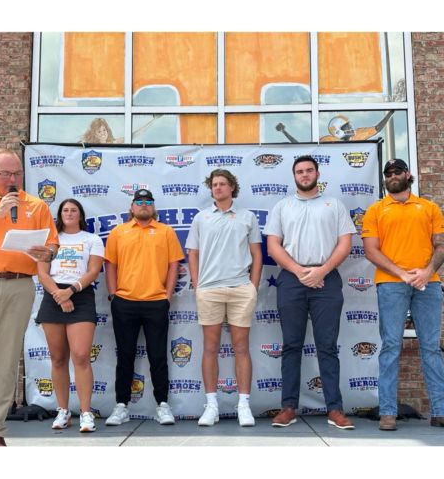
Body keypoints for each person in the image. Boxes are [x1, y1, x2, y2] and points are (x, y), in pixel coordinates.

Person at [0, 148, 59, 447]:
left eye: (16, 173)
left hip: (19, 285)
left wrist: (50, 253)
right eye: (5, 173)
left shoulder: (37, 205)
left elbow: (52, 243)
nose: (12, 179)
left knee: (6, 362)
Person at [264, 155, 356, 430]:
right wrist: (302, 272)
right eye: (299, 172)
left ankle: (335, 410)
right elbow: (273, 246)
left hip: (326, 279)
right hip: (292, 280)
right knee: (291, 345)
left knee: (327, 346)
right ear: (294, 176)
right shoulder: (282, 207)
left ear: (317, 173)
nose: (304, 175)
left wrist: (321, 271)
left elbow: (344, 244)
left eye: (308, 170)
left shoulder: (334, 205)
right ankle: (288, 407)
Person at [362, 158, 444, 431]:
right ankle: (388, 413)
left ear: (408, 174)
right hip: (391, 284)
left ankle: (440, 410)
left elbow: (440, 246)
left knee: (431, 347)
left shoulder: (429, 207)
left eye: (398, 171)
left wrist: (426, 270)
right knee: (390, 346)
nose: (393, 176)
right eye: (388, 173)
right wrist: (402, 273)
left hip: (428, 283)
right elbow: (371, 250)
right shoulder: (376, 210)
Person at [186, 169, 262, 427]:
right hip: (209, 289)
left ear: (232, 187)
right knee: (210, 348)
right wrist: (198, 284)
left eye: (222, 184)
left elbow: (257, 254)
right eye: (214, 184)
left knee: (241, 347)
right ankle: (211, 405)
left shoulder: (247, 217)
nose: (217, 188)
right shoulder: (201, 218)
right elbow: (192, 254)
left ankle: (244, 405)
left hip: (241, 288)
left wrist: (253, 286)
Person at [104, 189, 184, 426]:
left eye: (148, 201)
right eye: (139, 201)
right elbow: (111, 266)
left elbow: (173, 265)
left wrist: (167, 297)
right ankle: (121, 406)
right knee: (125, 355)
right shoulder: (119, 232)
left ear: (153, 206)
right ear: (132, 207)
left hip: (156, 302)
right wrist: (112, 295)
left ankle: (163, 405)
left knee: (158, 355)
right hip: (124, 303)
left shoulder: (166, 231)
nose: (144, 205)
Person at [35, 199, 104, 433]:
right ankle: (63, 411)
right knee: (57, 358)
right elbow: (42, 272)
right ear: (60, 214)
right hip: (53, 295)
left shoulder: (91, 239)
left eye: (74, 210)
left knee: (82, 356)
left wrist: (70, 292)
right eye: (65, 210)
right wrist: (59, 295)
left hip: (80, 295)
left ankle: (85, 413)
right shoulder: (49, 241)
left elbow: (93, 271)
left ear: (81, 214)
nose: (70, 213)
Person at [275, 111, 394, 143]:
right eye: (346, 126)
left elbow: (377, 128)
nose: (351, 128)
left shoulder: (357, 135)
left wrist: (391, 112)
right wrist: (285, 132)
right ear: (338, 131)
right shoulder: (328, 141)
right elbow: (304, 148)